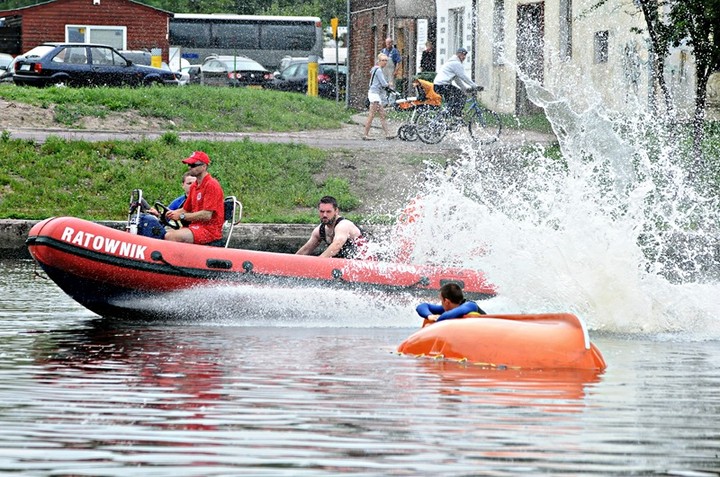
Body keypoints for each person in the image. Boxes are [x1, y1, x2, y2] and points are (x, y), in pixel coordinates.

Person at [164, 151, 225, 245]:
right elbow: (186, 209)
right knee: (166, 234)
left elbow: (207, 215)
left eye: (193, 165)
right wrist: (168, 214)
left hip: (209, 231)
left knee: (170, 236)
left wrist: (181, 216)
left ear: (204, 166)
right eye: (189, 165)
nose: (189, 168)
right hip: (196, 227)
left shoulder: (211, 185)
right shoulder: (194, 186)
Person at [296, 195, 369, 259]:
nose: (324, 215)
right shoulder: (319, 231)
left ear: (336, 211)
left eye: (328, 212)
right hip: (348, 262)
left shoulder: (343, 225)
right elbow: (306, 250)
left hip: (368, 261)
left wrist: (319, 262)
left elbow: (337, 245)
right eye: (322, 211)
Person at [432, 47, 481, 118]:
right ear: (458, 54)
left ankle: (447, 118)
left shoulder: (452, 62)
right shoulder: (456, 63)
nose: (464, 57)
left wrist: (464, 88)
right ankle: (456, 115)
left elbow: (457, 79)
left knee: (452, 101)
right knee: (462, 96)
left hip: (438, 86)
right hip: (442, 85)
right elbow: (463, 76)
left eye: (465, 55)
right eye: (462, 55)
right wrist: (474, 86)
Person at [363, 53, 395, 141]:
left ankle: (388, 134)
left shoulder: (375, 69)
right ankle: (365, 135)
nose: (385, 62)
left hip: (375, 94)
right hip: (374, 95)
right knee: (371, 115)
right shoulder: (379, 70)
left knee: (382, 115)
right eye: (383, 60)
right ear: (379, 61)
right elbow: (384, 83)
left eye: (386, 60)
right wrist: (389, 84)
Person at [416, 282, 486, 322]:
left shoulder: (470, 305)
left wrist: (437, 318)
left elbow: (448, 315)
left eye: (441, 300)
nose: (441, 303)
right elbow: (422, 306)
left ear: (446, 301)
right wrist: (430, 316)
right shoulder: (447, 308)